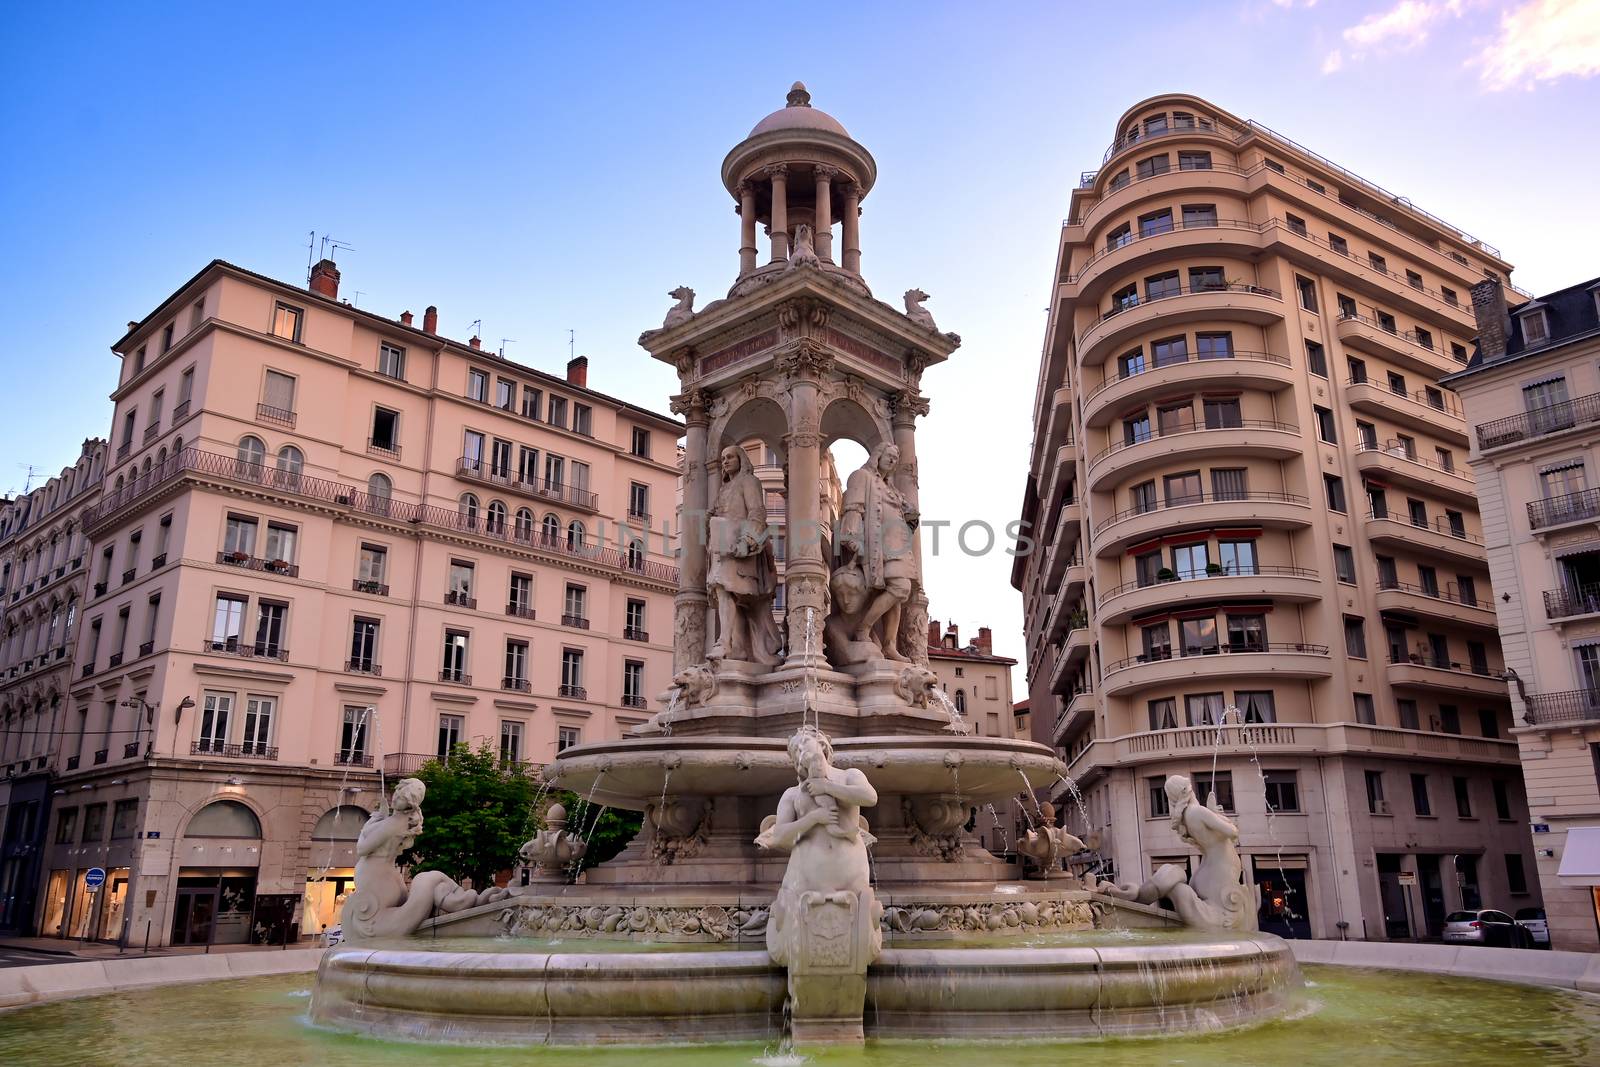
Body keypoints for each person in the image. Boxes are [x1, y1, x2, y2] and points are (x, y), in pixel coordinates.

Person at [756, 726, 880, 964]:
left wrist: (827, 787)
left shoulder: (849, 776)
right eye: (795, 752)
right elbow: (780, 836)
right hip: (807, 877)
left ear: (822, 745)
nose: (800, 754)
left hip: (849, 872)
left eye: (804, 745)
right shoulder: (792, 794)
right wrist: (812, 819)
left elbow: (869, 797)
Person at [837, 443, 917, 660]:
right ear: (877, 456)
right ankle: (863, 628)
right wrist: (853, 538)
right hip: (877, 547)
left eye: (895, 458)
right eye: (888, 456)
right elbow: (853, 507)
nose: (892, 461)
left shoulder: (889, 487)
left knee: (899, 593)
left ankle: (889, 645)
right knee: (900, 587)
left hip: (896, 546)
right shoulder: (862, 476)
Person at [706, 446, 782, 664]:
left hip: (741, 548)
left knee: (725, 588)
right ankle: (735, 646)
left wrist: (748, 541)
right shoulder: (725, 487)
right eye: (722, 458)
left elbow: (757, 511)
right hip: (722, 545)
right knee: (725, 592)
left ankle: (726, 642)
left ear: (741, 459)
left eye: (730, 457)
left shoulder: (749, 481)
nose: (726, 461)